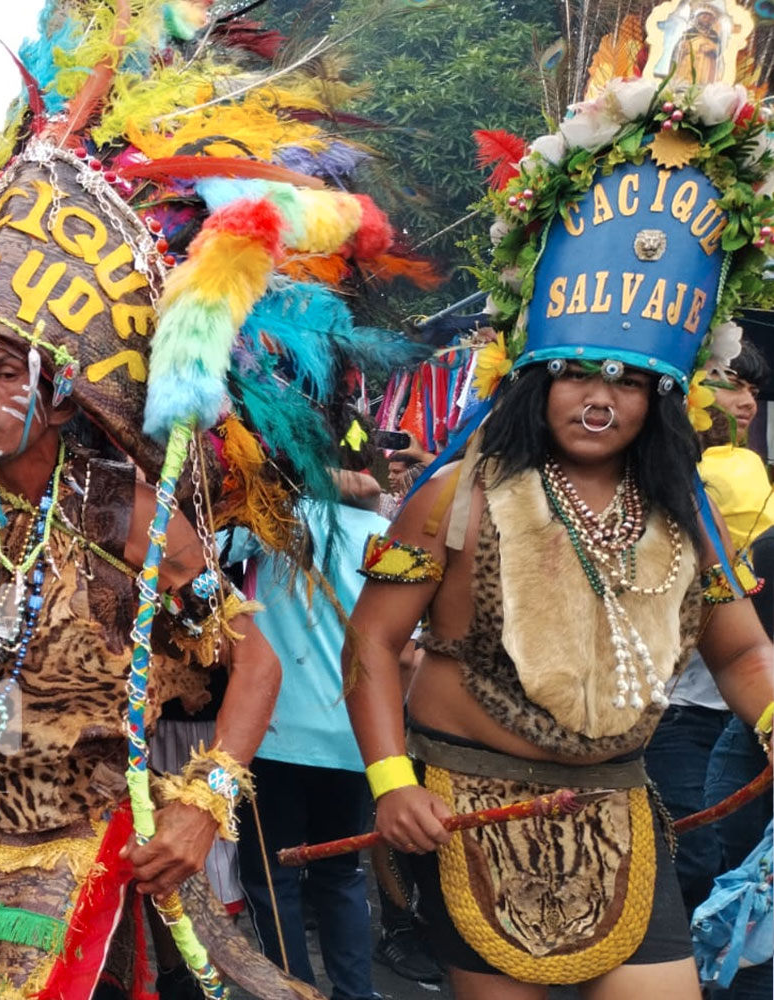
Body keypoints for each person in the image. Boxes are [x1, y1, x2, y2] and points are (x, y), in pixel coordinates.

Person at [0, 3, 430, 992]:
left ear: (60, 386)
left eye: (3, 372)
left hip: (96, 854)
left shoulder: (122, 510)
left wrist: (201, 806)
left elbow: (254, 660)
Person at [344, 58, 774, 1000]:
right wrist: (390, 782)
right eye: (578, 373)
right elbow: (373, 642)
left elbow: (741, 652)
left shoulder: (684, 511)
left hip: (623, 809)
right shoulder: (452, 495)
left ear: (658, 398)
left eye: (624, 380)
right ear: (540, 381)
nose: (598, 398)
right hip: (471, 811)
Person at [229, 467, 390, 1000]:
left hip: (273, 734)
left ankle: (292, 992)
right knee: (340, 874)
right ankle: (355, 993)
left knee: (271, 882)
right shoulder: (381, 533)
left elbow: (197, 552)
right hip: (353, 734)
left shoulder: (267, 523)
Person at [645, 342, 772, 918]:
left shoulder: (718, 494)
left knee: (722, 869)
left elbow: (745, 647)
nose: (746, 401)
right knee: (694, 859)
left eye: (753, 390)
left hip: (731, 714)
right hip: (672, 712)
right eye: (728, 381)